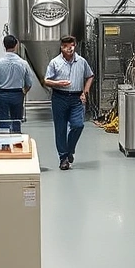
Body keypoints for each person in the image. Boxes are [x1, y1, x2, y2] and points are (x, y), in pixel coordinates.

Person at [44, 35, 94, 170]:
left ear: (75, 45)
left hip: (77, 98)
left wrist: (85, 92)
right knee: (60, 129)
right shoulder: (55, 62)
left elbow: (90, 76)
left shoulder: (82, 61)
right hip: (59, 98)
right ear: (61, 47)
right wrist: (57, 83)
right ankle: (63, 158)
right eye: (65, 46)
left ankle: (70, 150)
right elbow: (46, 80)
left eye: (71, 45)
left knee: (78, 125)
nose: (69, 49)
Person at [0, 34, 32, 123]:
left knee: (3, 124)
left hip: (1, 95)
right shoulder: (23, 63)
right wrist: (24, 92)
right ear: (16, 46)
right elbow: (29, 83)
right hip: (17, 95)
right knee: (16, 123)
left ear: (4, 45)